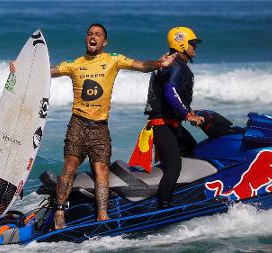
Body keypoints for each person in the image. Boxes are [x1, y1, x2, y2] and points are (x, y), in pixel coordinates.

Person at [11, 23, 176, 229]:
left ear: (104, 41)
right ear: (86, 39)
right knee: (69, 167)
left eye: (98, 35)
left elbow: (142, 66)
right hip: (78, 124)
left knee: (102, 170)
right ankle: (60, 211)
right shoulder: (75, 64)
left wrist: (159, 63)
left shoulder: (113, 59)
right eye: (90, 34)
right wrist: (23, 68)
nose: (93, 37)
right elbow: (47, 72)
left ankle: (103, 213)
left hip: (100, 127)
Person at [144, 26, 205, 209]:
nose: (195, 48)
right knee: (174, 167)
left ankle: (182, 192)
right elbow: (171, 93)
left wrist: (189, 113)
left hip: (171, 124)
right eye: (192, 44)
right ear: (182, 44)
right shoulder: (175, 66)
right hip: (162, 125)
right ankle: (163, 207)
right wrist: (187, 115)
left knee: (192, 149)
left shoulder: (172, 63)